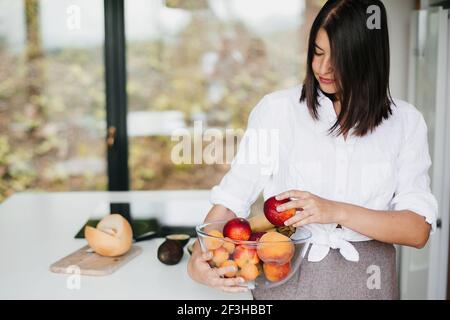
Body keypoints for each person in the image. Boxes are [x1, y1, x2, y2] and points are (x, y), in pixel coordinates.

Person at [187, 0, 438, 300]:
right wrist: (196, 258)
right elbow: (231, 200)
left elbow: (416, 229)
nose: (322, 68)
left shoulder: (406, 123)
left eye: (338, 59)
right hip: (286, 280)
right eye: (317, 53)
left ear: (367, 59)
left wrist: (334, 210)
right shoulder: (277, 111)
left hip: (370, 285)